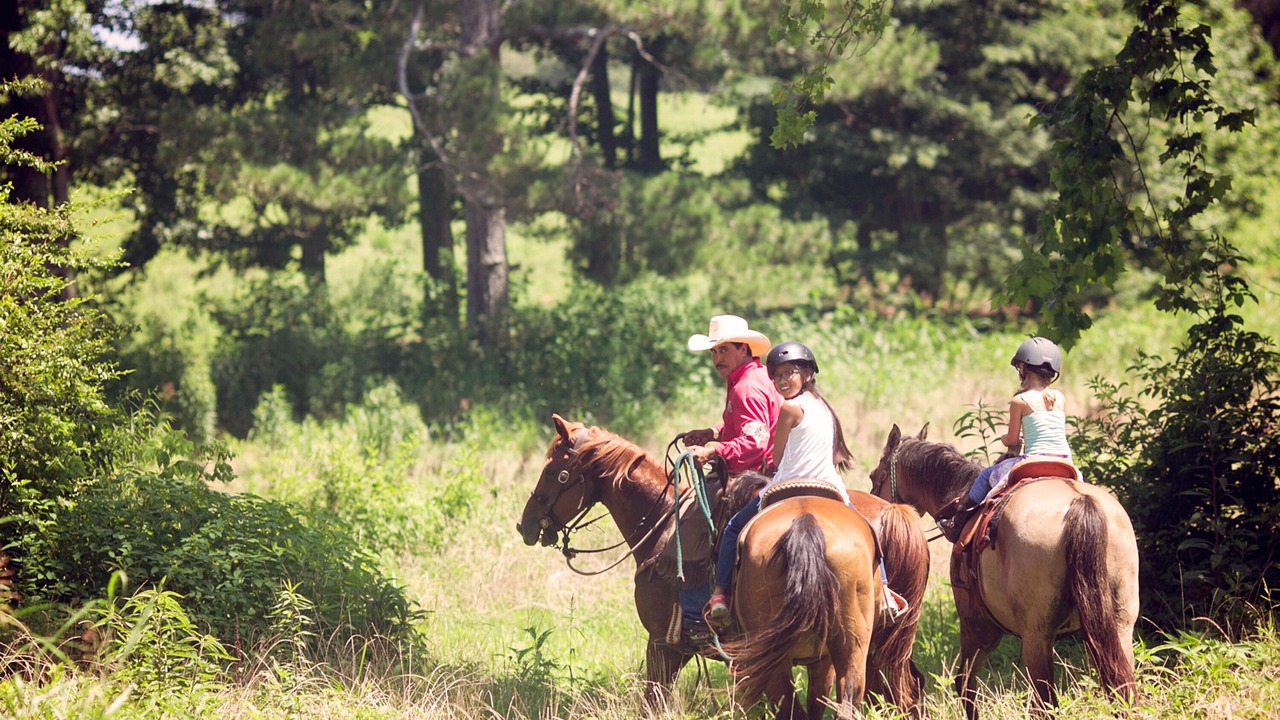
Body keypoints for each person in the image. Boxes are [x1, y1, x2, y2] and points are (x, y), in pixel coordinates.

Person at [704, 340, 852, 626]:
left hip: (789, 483)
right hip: (829, 484)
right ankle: (884, 588)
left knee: (733, 528)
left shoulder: (789, 408)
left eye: (789, 373)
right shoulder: (825, 407)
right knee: (865, 528)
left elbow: (776, 455)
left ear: (807, 373)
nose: (782, 381)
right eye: (778, 376)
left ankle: (720, 593)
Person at [677, 315, 781, 644]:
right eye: (713, 352)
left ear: (743, 349)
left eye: (724, 350)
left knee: (692, 522)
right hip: (764, 469)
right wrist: (712, 432)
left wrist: (714, 451)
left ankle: (696, 617)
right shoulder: (753, 378)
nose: (717, 358)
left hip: (754, 474)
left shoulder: (746, 387)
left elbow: (755, 442)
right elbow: (748, 425)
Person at [940, 336, 1077, 542]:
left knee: (985, 475)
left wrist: (1005, 438)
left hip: (1034, 461)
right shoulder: (1060, 398)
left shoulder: (1020, 400)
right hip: (1064, 461)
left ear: (1024, 368)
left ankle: (957, 523)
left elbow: (1012, 440)